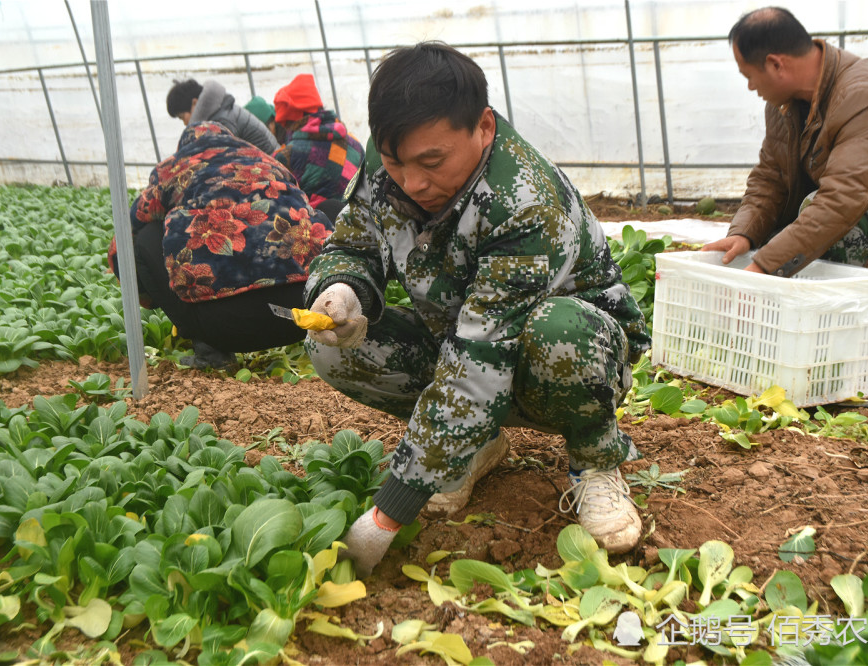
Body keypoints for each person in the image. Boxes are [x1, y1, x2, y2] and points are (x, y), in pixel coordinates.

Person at [302, 42, 652, 577]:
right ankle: (478, 445)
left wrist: (387, 516)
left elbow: (477, 365)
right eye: (396, 162)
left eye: (431, 162)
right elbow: (352, 243)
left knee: (561, 333)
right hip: (460, 342)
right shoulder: (386, 163)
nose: (412, 183)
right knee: (332, 350)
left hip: (560, 356)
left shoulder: (525, 201)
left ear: (484, 127)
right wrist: (344, 290)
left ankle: (595, 460)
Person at [703, 6, 868, 286]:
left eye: (749, 76)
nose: (749, 87)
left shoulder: (862, 96)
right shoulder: (782, 104)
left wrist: (764, 266)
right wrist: (743, 233)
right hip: (854, 213)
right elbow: (771, 176)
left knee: (794, 237)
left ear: (775, 64)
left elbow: (842, 201)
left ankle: (861, 304)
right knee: (769, 242)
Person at [108, 121, 333, 370]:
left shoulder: (174, 167)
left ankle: (210, 353)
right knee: (320, 214)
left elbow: (126, 230)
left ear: (185, 145)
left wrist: (150, 295)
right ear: (231, 139)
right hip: (307, 314)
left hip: (226, 327)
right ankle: (335, 339)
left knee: (144, 237)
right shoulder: (268, 160)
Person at [271, 73, 365, 214]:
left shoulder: (286, 156)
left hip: (319, 231)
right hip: (362, 226)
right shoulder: (355, 144)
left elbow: (278, 207)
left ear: (290, 122)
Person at [166, 79, 280, 156]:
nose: (185, 124)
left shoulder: (221, 121)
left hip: (274, 170)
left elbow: (226, 159)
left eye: (182, 118)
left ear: (195, 103)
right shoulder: (220, 109)